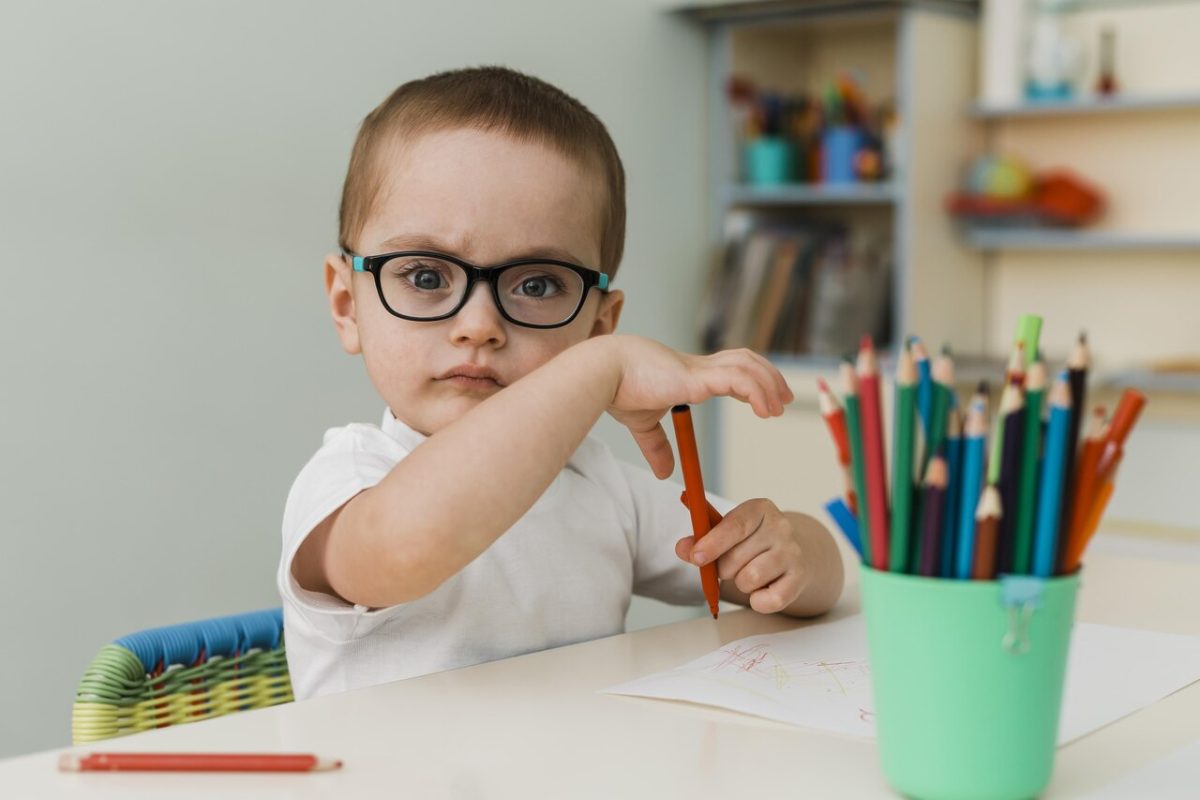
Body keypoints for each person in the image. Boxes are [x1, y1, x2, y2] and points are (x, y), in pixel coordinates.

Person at [278, 66, 844, 700]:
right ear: (347, 305)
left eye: (537, 285)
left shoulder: (599, 487)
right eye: (427, 276)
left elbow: (805, 577)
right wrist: (601, 372)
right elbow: (407, 549)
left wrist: (791, 552)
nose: (479, 325)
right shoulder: (348, 480)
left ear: (599, 325)